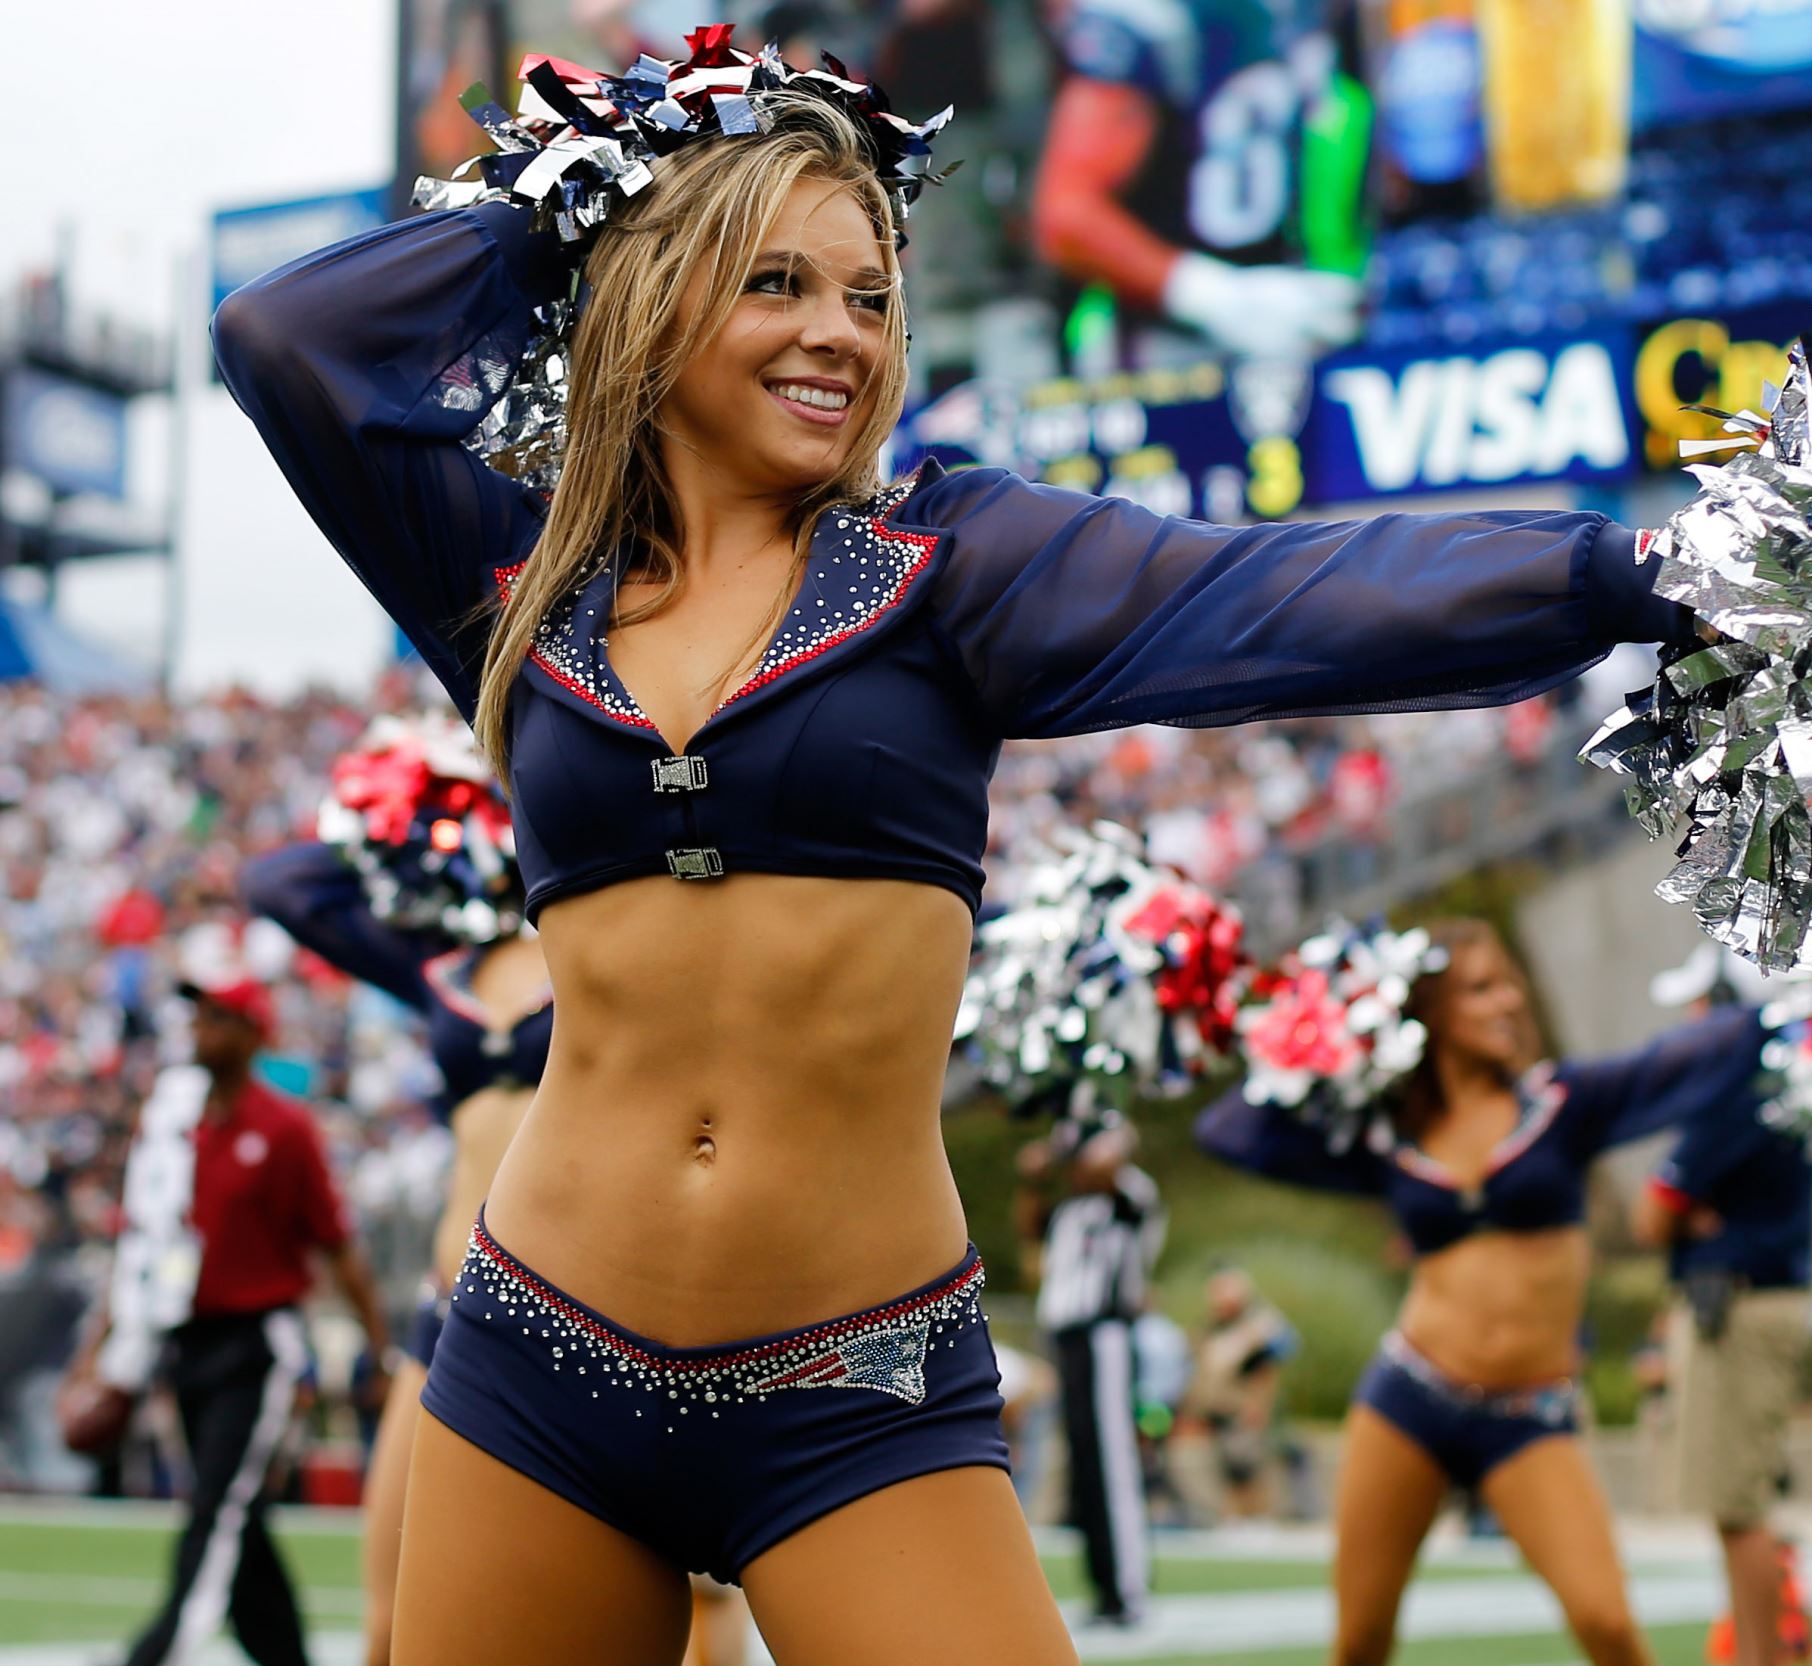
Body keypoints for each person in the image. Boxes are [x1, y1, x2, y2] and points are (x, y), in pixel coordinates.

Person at [212, 42, 1684, 1659]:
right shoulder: (516, 586)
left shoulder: (952, 561)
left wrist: (1628, 575)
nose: (838, 331)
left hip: (853, 1387)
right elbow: (293, 340)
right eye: (775, 280)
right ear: (653, 293)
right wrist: (607, 178)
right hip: (540, 1357)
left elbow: (1280, 597)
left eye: (868, 294)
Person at [1196, 919, 1769, 1666]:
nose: (1508, 999)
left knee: (1607, 1626)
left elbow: (1694, 1057)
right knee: (1359, 1641)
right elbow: (1229, 1130)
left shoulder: (1563, 1104)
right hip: (1408, 1398)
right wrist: (1319, 1021)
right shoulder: (1386, 1133)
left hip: (1525, 1416)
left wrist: (1788, 998)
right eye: (1480, 987)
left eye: (1508, 981)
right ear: (1429, 1012)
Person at [243, 803, 550, 1666]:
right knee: (391, 1624)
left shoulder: (616, 938)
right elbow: (278, 884)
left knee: (656, 1622)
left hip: (584, 1318)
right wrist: (417, 817)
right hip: (451, 1310)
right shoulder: (445, 961)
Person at [99, 976, 391, 1666]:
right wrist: (106, 1345)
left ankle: (154, 1652)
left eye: (219, 1017)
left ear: (255, 1034)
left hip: (256, 1344)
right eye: (198, 1016)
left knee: (216, 1514)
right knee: (235, 1514)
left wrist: (376, 1349)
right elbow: (144, 1237)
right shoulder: (177, 1121)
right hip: (185, 1340)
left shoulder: (284, 1128)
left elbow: (336, 1244)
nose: (201, 1029)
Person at [1631, 1011, 1812, 1666]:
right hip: (1749, 1301)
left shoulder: (1737, 1085)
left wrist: (1688, 1220)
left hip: (1737, 1308)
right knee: (1736, 1505)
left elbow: (1650, 1218)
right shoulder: (1772, 1078)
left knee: (1738, 1507)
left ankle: (1765, 1656)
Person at [1031, 0, 1363, 362]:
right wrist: (1214, 296)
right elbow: (1067, 215)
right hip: (1163, 343)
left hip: (1305, 315)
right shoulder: (1141, 17)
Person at [1016, 1125, 1168, 1626]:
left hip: (1105, 1338)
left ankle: (1127, 1590)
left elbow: (1113, 1154)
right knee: (1084, 1465)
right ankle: (1103, 1588)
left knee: (1112, 1463)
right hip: (1068, 1343)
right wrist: (1038, 1178)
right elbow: (1030, 1225)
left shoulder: (1130, 1198)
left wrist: (1077, 1136)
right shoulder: (1070, 1211)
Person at [1191, 1263, 1299, 1520]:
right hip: (1221, 1408)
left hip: (1244, 1407)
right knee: (1228, 1466)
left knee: (1248, 1465)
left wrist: (1258, 1405)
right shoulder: (1214, 1326)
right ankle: (1236, 1515)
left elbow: (1266, 1370)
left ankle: (1256, 1515)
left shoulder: (1259, 1325)